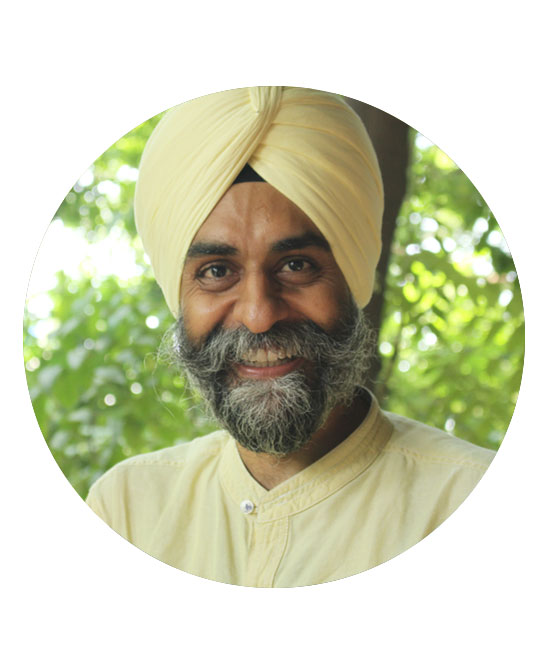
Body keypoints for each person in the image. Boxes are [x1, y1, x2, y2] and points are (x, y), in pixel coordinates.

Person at [86, 86, 495, 587]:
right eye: (217, 271)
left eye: (297, 265)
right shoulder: (125, 511)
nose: (259, 316)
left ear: (352, 278)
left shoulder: (470, 502)